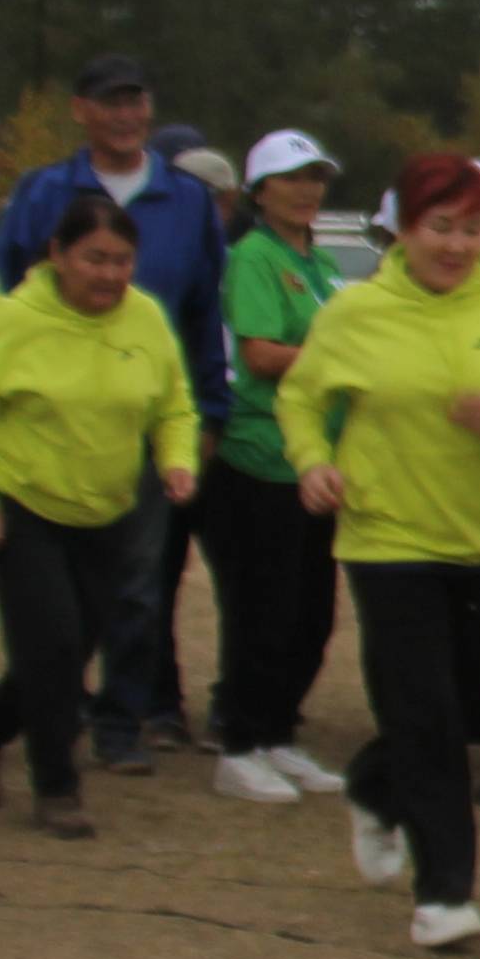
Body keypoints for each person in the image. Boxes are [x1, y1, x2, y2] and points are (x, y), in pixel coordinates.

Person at [277, 152, 480, 952]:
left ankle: (375, 788)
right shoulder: (356, 314)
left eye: (474, 228)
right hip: (387, 538)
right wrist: (313, 462)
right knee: (429, 713)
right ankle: (445, 894)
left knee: (458, 704)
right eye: (439, 227)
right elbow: (302, 395)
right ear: (404, 229)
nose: (456, 244)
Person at [0, 189, 203, 839]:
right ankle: (57, 786)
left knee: (67, 647)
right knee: (52, 644)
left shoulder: (144, 319)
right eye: (94, 258)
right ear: (57, 254)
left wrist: (177, 458)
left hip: (107, 508)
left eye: (121, 260)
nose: (109, 274)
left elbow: (174, 405)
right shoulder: (16, 319)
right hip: (21, 504)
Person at [0, 54, 227, 774]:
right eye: (110, 102)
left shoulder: (185, 198)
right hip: (50, 422)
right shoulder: (44, 192)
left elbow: (206, 310)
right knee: (58, 598)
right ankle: (48, 714)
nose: (126, 115)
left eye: (136, 101)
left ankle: (123, 721)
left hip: (148, 416)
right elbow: (5, 296)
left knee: (138, 583)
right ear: (80, 110)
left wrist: (208, 411)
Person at [200, 129, 350, 801]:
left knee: (310, 614)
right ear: (261, 191)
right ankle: (239, 742)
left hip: (314, 465)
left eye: (316, 176)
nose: (307, 188)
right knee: (262, 610)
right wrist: (342, 367)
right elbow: (260, 352)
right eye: (292, 177)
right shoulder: (255, 255)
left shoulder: (319, 265)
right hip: (260, 460)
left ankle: (276, 732)